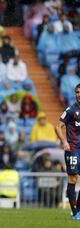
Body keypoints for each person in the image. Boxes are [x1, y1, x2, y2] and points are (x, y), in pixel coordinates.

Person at [55, 83, 80, 220]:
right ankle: (75, 213)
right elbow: (58, 126)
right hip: (73, 149)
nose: (79, 94)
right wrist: (64, 142)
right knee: (73, 179)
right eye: (77, 92)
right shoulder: (71, 110)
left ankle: (78, 210)